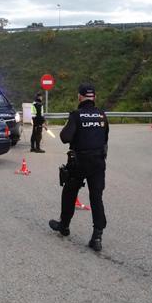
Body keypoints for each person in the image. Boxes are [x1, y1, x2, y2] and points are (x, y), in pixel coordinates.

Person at [49, 83, 109, 252]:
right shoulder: (102, 116)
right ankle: (97, 237)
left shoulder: (77, 115)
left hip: (79, 162)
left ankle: (64, 226)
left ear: (80, 97)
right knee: (96, 197)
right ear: (94, 97)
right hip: (98, 162)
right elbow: (105, 139)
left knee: (69, 192)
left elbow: (64, 137)